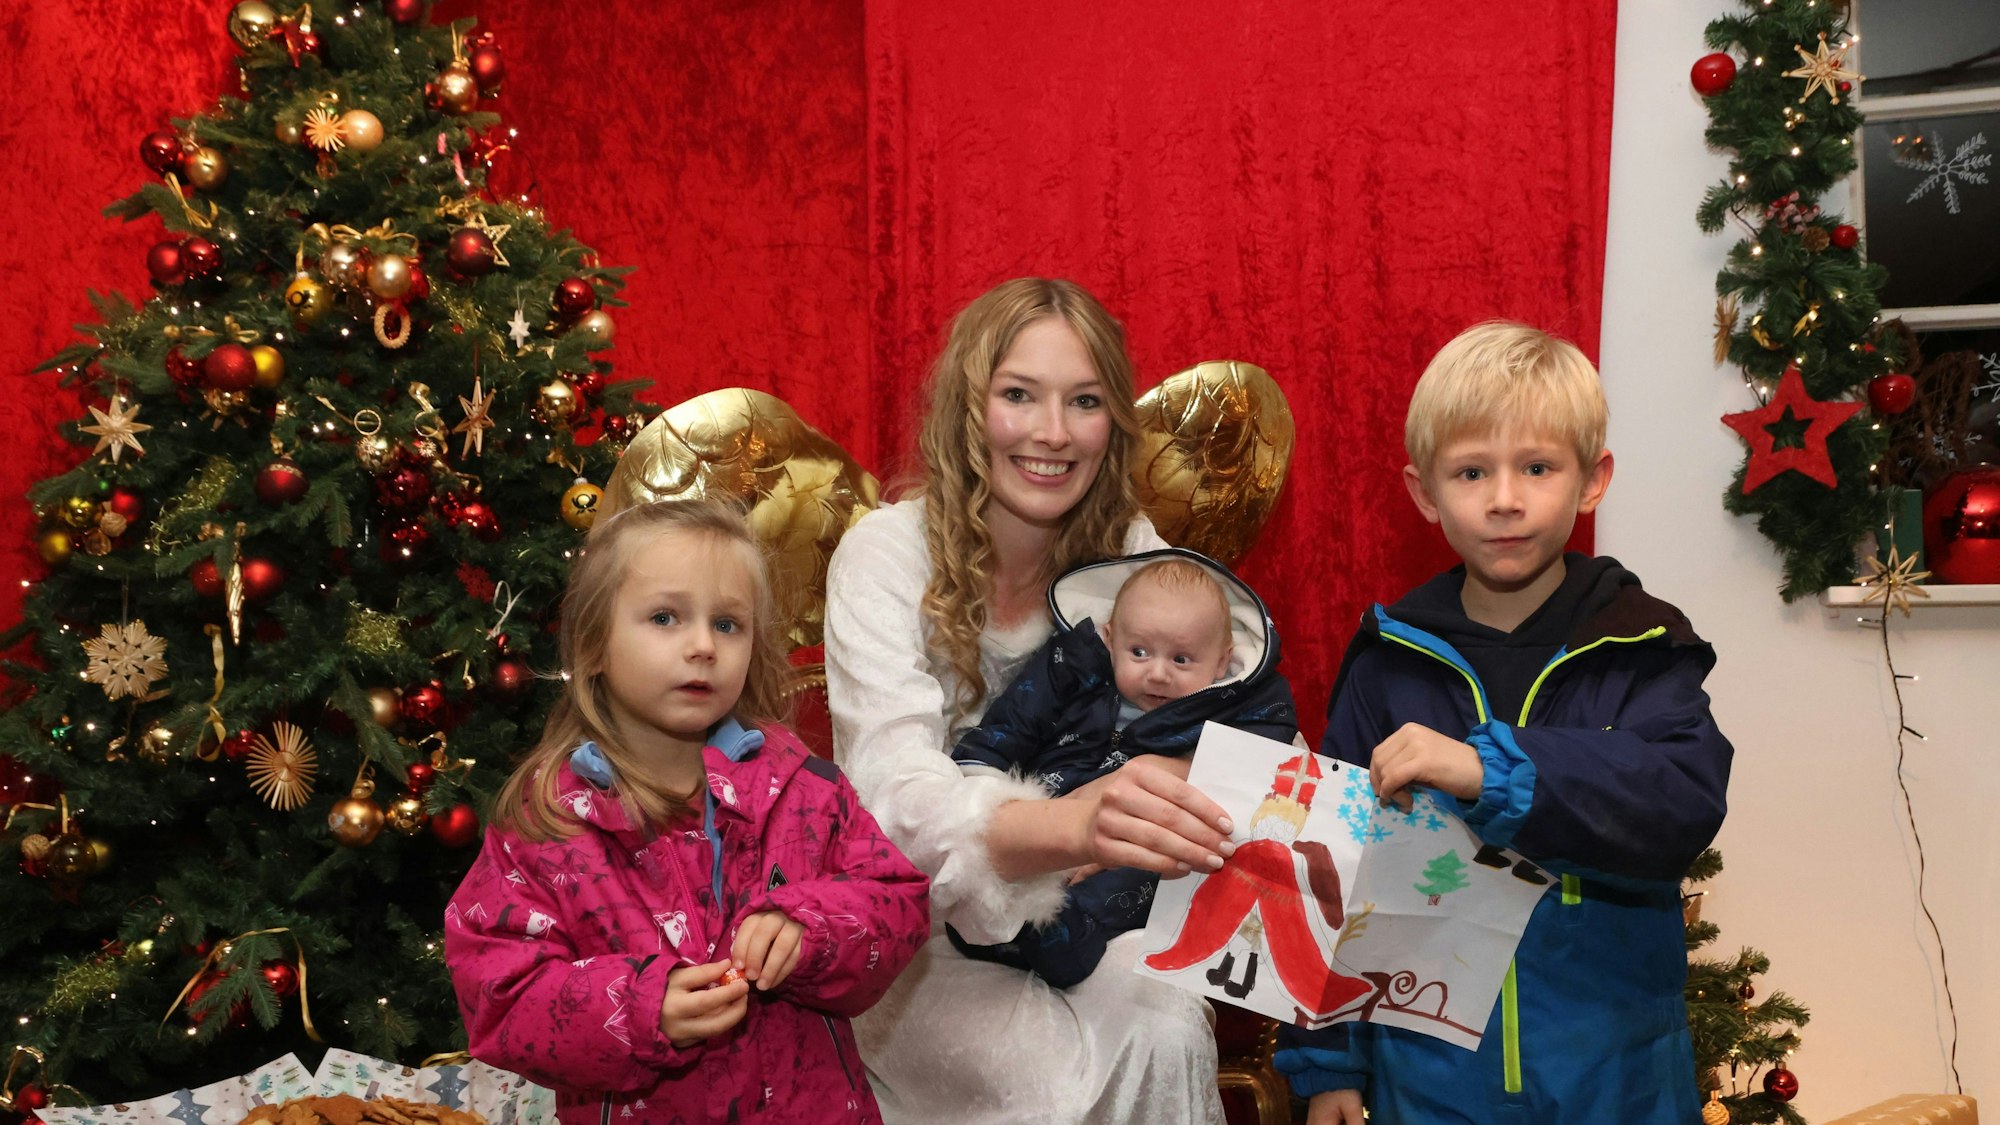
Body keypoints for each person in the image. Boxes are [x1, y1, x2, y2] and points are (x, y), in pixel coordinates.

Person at [1274, 322, 1732, 1124]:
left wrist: (1495, 771)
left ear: (1593, 479)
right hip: (1431, 1075)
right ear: (1424, 492)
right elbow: (1331, 871)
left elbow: (1682, 801)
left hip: (1616, 1068)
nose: (1505, 497)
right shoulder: (1390, 660)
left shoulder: (1644, 644)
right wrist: (1328, 1065)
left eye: (1538, 467)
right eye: (1472, 471)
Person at [823, 277, 1233, 1124]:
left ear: (1112, 422)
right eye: (1019, 395)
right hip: (911, 938)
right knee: (1045, 1084)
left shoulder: (1130, 554)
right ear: (969, 410)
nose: (1052, 433)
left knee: (1170, 1028)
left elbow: (1219, 706)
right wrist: (1073, 823)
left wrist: (1254, 766)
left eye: (1083, 401)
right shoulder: (885, 553)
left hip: (1083, 916)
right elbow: (892, 802)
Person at [445, 498, 931, 1125]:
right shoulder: (547, 823)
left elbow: (896, 899)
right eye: (665, 617)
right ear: (594, 644)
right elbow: (499, 996)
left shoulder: (804, 787)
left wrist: (811, 929)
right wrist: (640, 1006)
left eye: (728, 624)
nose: (703, 645)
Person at [949, 551, 1300, 987]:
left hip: (1141, 840)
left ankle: (1067, 936)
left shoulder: (1244, 704)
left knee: (1141, 867)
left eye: (1181, 660)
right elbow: (1012, 723)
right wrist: (974, 778)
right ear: (1110, 638)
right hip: (1046, 813)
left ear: (1222, 660)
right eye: (1139, 652)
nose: (1157, 674)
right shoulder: (1073, 666)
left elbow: (1270, 758)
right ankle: (990, 916)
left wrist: (1188, 767)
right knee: (987, 857)